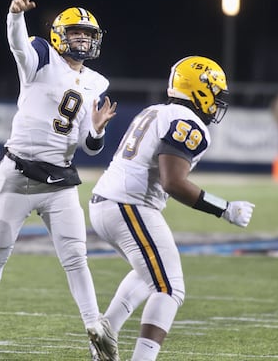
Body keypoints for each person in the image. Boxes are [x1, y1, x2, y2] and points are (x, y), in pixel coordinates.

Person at [0, 0, 119, 361]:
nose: (82, 39)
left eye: (88, 34)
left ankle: (94, 330)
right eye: (76, 32)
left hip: (60, 181)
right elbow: (18, 44)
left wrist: (96, 129)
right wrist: (14, 14)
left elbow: (88, 145)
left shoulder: (96, 83)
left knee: (76, 258)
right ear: (58, 35)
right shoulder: (40, 56)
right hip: (17, 176)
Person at [88, 55, 255, 361]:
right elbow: (173, 182)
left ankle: (107, 328)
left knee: (150, 272)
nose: (217, 103)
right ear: (199, 90)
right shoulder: (187, 121)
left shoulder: (156, 111)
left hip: (108, 202)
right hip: (129, 205)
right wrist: (225, 208)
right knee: (169, 288)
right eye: (215, 94)